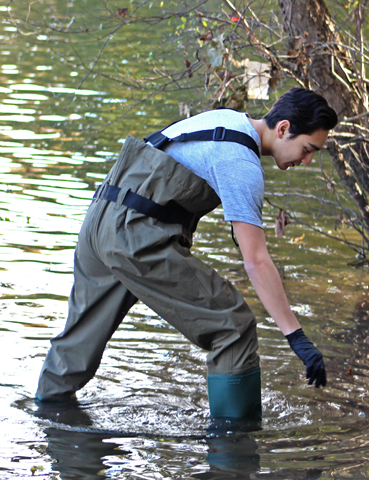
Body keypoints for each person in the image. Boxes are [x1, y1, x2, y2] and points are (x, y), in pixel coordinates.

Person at [36, 87, 338, 422]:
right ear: (283, 129)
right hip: (136, 236)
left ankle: (47, 421)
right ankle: (233, 448)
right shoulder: (242, 164)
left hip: (101, 220)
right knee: (233, 328)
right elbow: (256, 260)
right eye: (308, 149)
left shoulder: (226, 119)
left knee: (78, 344)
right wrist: (297, 338)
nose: (307, 160)